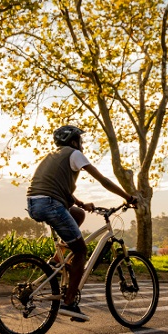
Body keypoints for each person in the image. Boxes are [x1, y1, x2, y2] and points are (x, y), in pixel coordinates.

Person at [26, 125, 137, 322]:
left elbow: (56, 186)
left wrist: (79, 203)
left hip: (36, 203)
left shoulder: (52, 156)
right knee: (81, 250)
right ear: (74, 141)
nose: (82, 144)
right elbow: (102, 180)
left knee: (77, 214)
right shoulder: (74, 153)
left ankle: (57, 260)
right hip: (51, 203)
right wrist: (127, 197)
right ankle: (69, 302)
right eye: (80, 140)